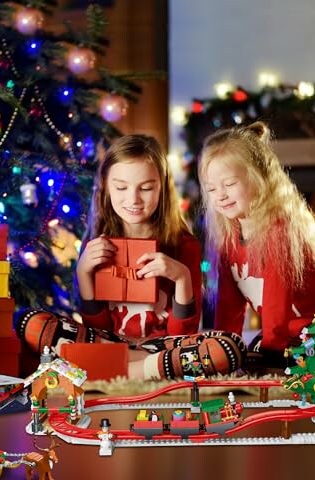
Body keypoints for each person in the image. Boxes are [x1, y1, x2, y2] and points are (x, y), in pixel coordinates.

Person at [17, 134, 246, 379]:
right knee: (29, 321)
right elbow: (98, 329)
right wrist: (83, 273)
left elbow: (181, 335)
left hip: (162, 349)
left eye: (146, 188)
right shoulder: (96, 241)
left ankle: (110, 370)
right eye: (121, 187)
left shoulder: (184, 245)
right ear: (105, 185)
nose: (133, 199)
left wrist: (182, 278)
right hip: (109, 344)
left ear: (162, 187)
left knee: (229, 347)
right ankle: (140, 370)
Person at [198, 122, 315, 366]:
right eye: (211, 188)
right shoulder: (228, 238)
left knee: (284, 357)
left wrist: (272, 352)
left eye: (230, 184)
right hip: (294, 330)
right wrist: (223, 348)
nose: (220, 195)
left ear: (259, 179)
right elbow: (228, 304)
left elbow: (277, 300)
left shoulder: (280, 230)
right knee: (246, 356)